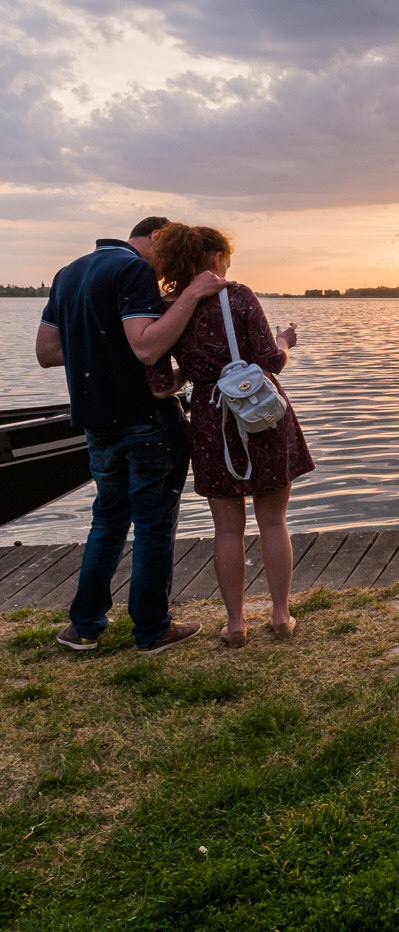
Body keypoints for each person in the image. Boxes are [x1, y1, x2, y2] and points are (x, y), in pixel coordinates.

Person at [36, 217, 225, 655]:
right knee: (155, 526)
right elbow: (147, 347)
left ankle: (83, 627)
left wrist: (98, 348)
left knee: (108, 520)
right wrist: (193, 294)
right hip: (146, 419)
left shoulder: (69, 272)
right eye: (172, 247)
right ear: (157, 236)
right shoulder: (134, 269)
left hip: (95, 420)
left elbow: (47, 352)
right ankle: (153, 630)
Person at [146, 224, 314, 647]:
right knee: (273, 520)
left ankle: (235, 623)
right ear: (217, 258)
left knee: (226, 529)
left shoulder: (166, 307)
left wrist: (199, 374)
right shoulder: (238, 295)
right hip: (260, 412)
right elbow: (271, 361)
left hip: (208, 418)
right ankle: (280, 616)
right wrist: (284, 340)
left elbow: (160, 383)